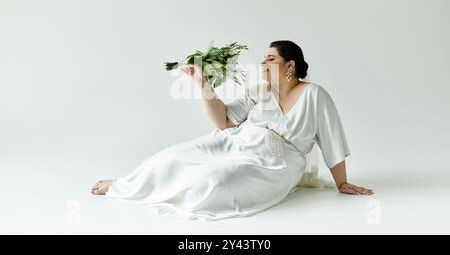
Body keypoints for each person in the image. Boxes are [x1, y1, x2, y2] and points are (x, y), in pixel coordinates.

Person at [91, 40, 373, 220]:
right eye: (262, 59)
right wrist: (203, 84)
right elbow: (223, 121)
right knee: (172, 156)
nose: (262, 64)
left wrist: (342, 182)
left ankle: (171, 194)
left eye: (270, 59)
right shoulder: (260, 91)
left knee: (217, 177)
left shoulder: (314, 95)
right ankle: (123, 186)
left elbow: (331, 137)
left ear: (290, 66)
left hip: (275, 163)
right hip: (233, 142)